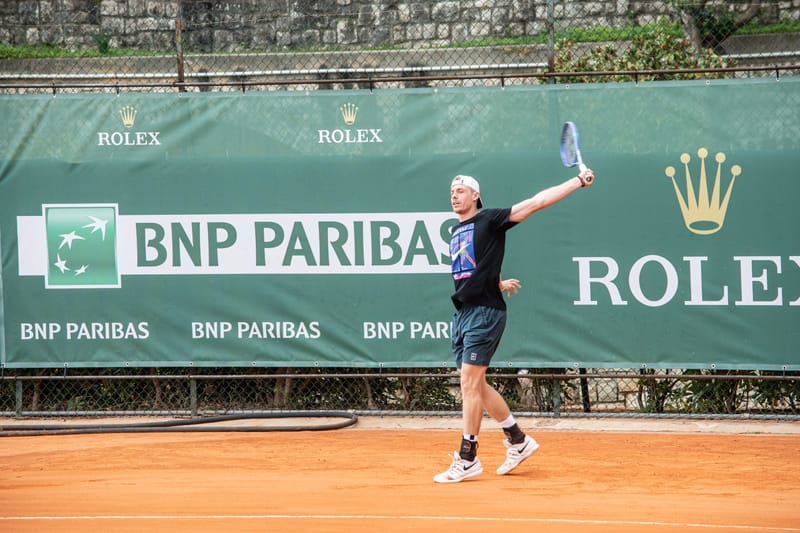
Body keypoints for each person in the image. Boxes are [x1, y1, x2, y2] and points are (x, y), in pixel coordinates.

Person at [434, 169, 595, 483]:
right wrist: (497, 280)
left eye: (461, 191)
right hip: (464, 312)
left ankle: (468, 458)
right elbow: (479, 264)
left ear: (475, 196)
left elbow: (536, 202)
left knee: (469, 383)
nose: (455, 196)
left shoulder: (491, 219)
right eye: (452, 192)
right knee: (476, 386)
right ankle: (518, 440)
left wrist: (577, 181)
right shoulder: (456, 231)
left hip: (485, 313)